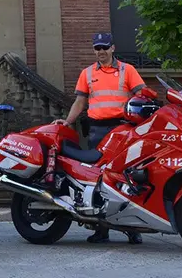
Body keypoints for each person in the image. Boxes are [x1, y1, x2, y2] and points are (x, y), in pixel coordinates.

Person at [52, 32, 145, 245]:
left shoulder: (127, 70)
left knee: (126, 177)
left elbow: (142, 94)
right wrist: (68, 122)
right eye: (97, 48)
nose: (101, 52)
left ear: (113, 48)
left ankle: (132, 229)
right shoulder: (87, 73)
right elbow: (80, 102)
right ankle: (101, 231)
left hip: (123, 129)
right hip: (97, 131)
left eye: (104, 47)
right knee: (97, 178)